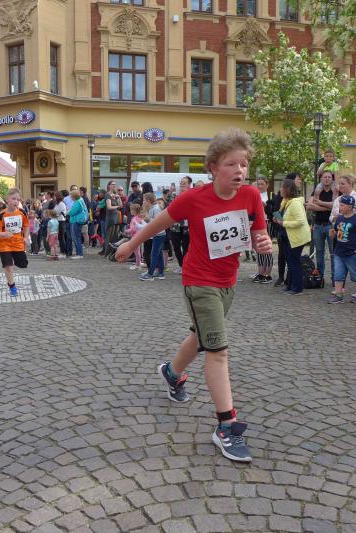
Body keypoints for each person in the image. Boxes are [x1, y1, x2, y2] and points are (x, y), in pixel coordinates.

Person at [115, 128, 272, 462]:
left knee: (201, 337)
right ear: (213, 167)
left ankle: (172, 373)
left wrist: (264, 243)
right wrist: (131, 244)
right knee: (218, 351)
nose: (240, 171)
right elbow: (158, 223)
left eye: (244, 164)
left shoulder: (250, 197)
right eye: (231, 164)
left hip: (228, 282)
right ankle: (226, 426)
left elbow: (260, 234)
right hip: (199, 282)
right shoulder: (193, 198)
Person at [329, 196, 356, 304]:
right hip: (339, 252)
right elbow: (337, 231)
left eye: (342, 205)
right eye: (340, 205)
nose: (340, 207)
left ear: (350, 206)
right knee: (338, 274)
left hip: (352, 253)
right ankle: (338, 295)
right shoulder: (339, 218)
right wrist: (333, 234)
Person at [274, 178, 310, 294]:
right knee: (290, 262)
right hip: (287, 236)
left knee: (294, 262)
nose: (280, 189)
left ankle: (297, 288)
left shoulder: (295, 203)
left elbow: (300, 221)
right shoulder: (286, 201)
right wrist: (278, 219)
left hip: (295, 237)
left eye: (282, 187)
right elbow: (286, 217)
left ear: (288, 189)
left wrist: (283, 223)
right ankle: (290, 285)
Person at [0, 188, 29, 296]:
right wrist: (4, 234)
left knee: (23, 264)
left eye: (18, 199)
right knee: (8, 266)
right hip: (4, 245)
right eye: (13, 199)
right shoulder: (2, 215)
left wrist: (26, 237)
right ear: (7, 199)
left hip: (18, 244)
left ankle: (12, 264)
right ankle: (12, 286)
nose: (16, 201)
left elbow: (26, 225)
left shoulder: (22, 212)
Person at [307, 171, 336, 287]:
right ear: (321, 179)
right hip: (318, 225)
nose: (327, 179)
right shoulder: (317, 191)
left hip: (331, 225)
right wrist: (327, 207)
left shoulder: (335, 191)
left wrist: (319, 203)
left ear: (332, 179)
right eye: (325, 177)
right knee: (319, 252)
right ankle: (320, 278)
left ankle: (335, 279)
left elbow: (336, 205)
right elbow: (309, 206)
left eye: (329, 177)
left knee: (333, 253)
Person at [139, 193, 167, 281]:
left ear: (148, 200)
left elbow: (158, 222)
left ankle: (150, 274)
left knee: (154, 254)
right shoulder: (152, 208)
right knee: (158, 254)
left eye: (144, 200)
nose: (143, 202)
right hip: (157, 234)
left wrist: (148, 219)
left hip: (159, 234)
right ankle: (160, 273)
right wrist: (147, 219)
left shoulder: (156, 209)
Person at [251, 177, 274, 283]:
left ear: (267, 185)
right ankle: (260, 272)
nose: (259, 186)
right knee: (259, 247)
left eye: (262, 184)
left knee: (266, 247)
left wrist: (265, 206)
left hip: (267, 222)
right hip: (256, 224)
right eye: (258, 184)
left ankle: (268, 274)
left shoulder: (271, 196)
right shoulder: (254, 195)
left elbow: (273, 210)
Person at [169, 176, 192, 274]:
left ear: (189, 184)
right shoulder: (175, 195)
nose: (182, 184)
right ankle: (181, 265)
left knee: (186, 247)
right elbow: (169, 207)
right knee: (176, 246)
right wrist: (170, 194)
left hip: (187, 225)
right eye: (181, 183)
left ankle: (185, 266)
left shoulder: (192, 194)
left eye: (184, 183)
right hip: (175, 225)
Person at [103, 181, 122, 257]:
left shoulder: (115, 194)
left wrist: (119, 197)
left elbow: (121, 205)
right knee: (109, 235)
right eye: (112, 184)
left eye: (115, 184)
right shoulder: (107, 195)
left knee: (115, 236)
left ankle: (113, 253)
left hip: (117, 218)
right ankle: (107, 253)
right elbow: (109, 207)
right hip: (111, 218)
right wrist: (117, 207)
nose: (114, 185)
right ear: (109, 186)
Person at [68, 189, 87, 259]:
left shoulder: (77, 202)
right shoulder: (81, 200)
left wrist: (68, 212)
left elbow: (72, 212)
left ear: (74, 196)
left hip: (76, 221)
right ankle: (79, 253)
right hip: (79, 220)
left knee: (76, 238)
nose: (70, 197)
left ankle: (79, 254)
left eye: (71, 196)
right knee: (77, 237)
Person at [127, 203, 146, 271]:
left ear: (134, 211)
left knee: (136, 252)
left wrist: (127, 231)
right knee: (139, 251)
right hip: (140, 236)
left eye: (131, 210)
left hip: (135, 237)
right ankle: (139, 263)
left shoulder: (133, 219)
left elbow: (133, 230)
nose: (130, 211)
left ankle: (137, 265)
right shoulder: (140, 218)